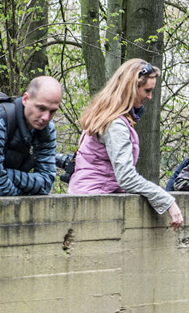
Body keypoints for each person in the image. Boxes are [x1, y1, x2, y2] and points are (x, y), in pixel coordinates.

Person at [68, 59, 183, 230]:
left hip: (89, 199)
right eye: (147, 90)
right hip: (95, 204)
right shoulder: (115, 125)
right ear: (131, 87)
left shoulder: (107, 117)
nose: (150, 97)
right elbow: (126, 178)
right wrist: (167, 201)